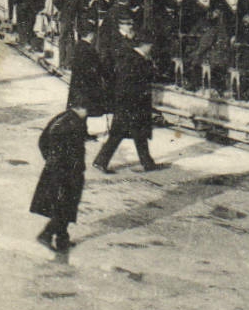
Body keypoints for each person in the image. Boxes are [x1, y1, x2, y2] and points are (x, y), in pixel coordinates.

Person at [93, 39, 160, 174]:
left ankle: (147, 162)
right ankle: (101, 161)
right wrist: (151, 66)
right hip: (133, 104)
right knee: (127, 134)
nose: (151, 48)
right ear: (145, 45)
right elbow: (145, 78)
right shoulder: (138, 60)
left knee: (135, 134)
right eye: (150, 45)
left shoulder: (128, 56)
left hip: (126, 103)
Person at [31, 102, 90, 252]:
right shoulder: (72, 123)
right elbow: (69, 151)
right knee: (65, 206)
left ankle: (62, 240)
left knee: (63, 205)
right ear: (80, 108)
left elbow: (42, 140)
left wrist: (50, 159)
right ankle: (47, 234)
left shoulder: (64, 118)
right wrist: (60, 164)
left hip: (58, 169)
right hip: (67, 172)